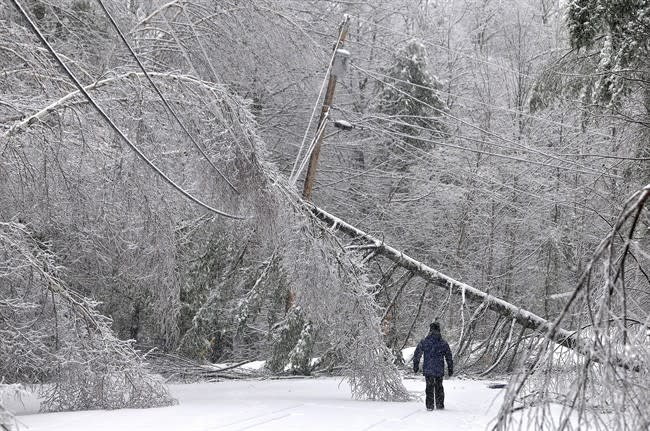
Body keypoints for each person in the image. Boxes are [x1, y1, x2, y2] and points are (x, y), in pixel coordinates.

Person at [413, 322, 453, 410]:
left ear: (430, 330)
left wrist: (416, 365)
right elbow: (449, 356)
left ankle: (430, 406)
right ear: (439, 330)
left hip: (428, 368)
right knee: (439, 387)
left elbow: (417, 354)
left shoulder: (425, 341)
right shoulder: (443, 343)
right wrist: (450, 368)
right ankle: (439, 405)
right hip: (439, 369)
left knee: (429, 387)